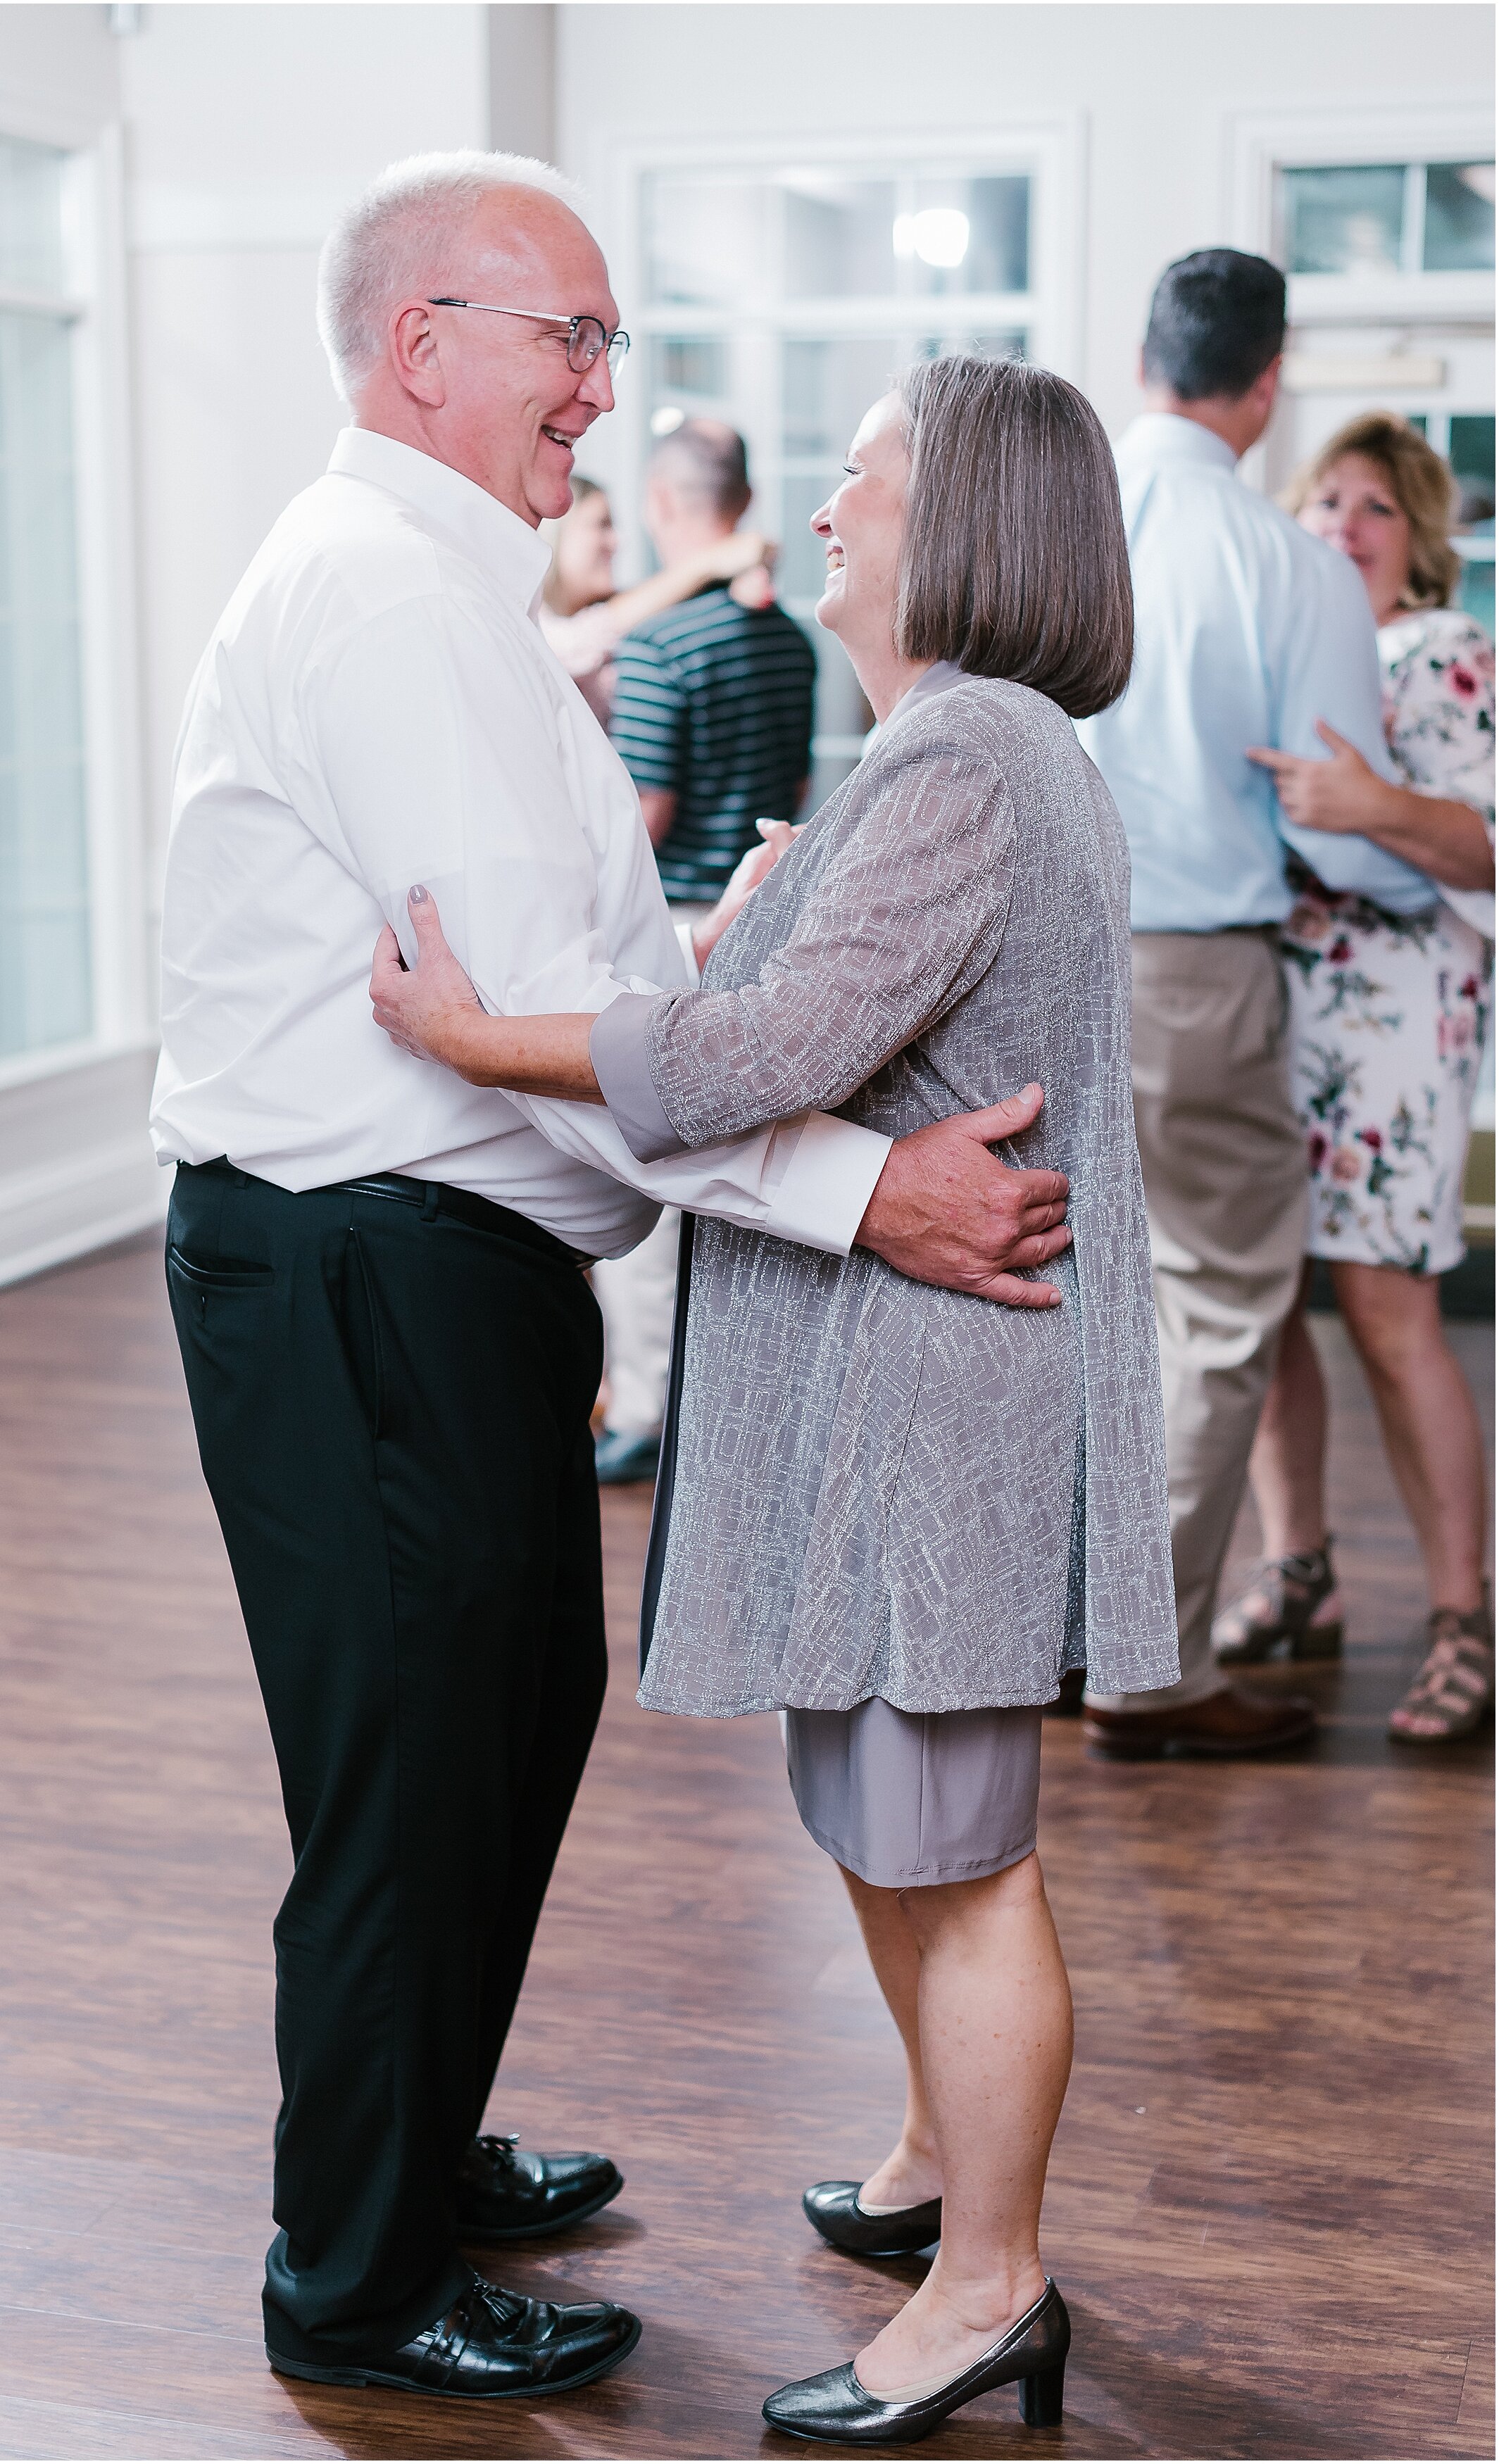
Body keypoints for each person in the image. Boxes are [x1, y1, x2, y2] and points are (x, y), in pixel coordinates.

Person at [150, 149, 1077, 2407]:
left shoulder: (459, 586)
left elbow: (582, 984)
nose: (604, 381)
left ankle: (411, 2142)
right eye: (566, 333)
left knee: (491, 1731)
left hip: (437, 1277)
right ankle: (349, 2277)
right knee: (405, 1773)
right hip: (360, 1264)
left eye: (603, 339)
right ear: (420, 347)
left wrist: (738, 972)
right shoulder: (384, 593)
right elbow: (562, 1055)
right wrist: (870, 1191)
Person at [370, 353, 1180, 2442]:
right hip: (911, 1384)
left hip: (934, 1398)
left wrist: (477, 1028)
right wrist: (740, 943)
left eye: (857, 481)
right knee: (890, 1812)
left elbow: (753, 1058)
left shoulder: (963, 751)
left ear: (964, 523)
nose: (820, 518)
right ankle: (936, 2164)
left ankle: (990, 2282)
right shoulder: (970, 746)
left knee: (953, 1845)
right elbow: (804, 1017)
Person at [1074, 249, 1441, 1759]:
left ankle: (1037, 1636)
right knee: (1219, 1309)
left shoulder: (1056, 511)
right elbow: (1335, 824)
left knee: (1066, 1303)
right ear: (1268, 380)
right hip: (1191, 968)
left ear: (1145, 356)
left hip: (1023, 955)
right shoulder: (1279, 563)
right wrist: (1425, 879)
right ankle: (1142, 1673)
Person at [1215, 413, 1495, 1740]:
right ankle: (1300, 1572)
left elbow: (1484, 847)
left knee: (1389, 1318)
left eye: (1374, 505)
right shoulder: (1293, 647)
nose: (1343, 524)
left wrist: (1364, 803)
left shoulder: (1443, 652)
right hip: (1280, 1013)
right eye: (1325, 500)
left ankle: (1461, 1618)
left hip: (1393, 1032)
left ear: (1418, 537)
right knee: (1265, 1311)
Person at [594, 421, 819, 1483]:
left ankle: (644, 1409)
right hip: (763, 916)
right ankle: (734, 1403)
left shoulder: (658, 642)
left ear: (662, 501)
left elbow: (649, 806)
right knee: (740, 1174)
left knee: (651, 1169)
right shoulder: (790, 638)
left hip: (676, 921)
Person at [534, 472, 773, 730]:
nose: (616, 542)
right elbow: (581, 640)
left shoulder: (631, 607)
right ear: (556, 531)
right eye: (601, 525)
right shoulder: (534, 626)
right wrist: (711, 563)